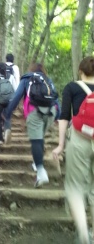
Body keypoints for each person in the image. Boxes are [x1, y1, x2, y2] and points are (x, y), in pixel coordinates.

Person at [52, 56, 94, 244]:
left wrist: (60, 145)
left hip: (79, 139)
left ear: (80, 71)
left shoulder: (72, 87)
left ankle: (84, 235)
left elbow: (63, 117)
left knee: (76, 187)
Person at [4, 62, 59, 187]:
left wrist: (8, 112)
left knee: (36, 140)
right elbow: (56, 98)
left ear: (31, 69)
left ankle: (41, 171)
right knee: (40, 139)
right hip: (51, 111)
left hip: (34, 111)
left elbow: (17, 96)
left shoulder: (27, 78)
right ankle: (37, 163)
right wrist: (58, 115)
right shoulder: (47, 80)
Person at [0, 62, 17, 145]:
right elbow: (15, 89)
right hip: (9, 101)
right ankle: (7, 129)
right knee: (7, 117)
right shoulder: (10, 76)